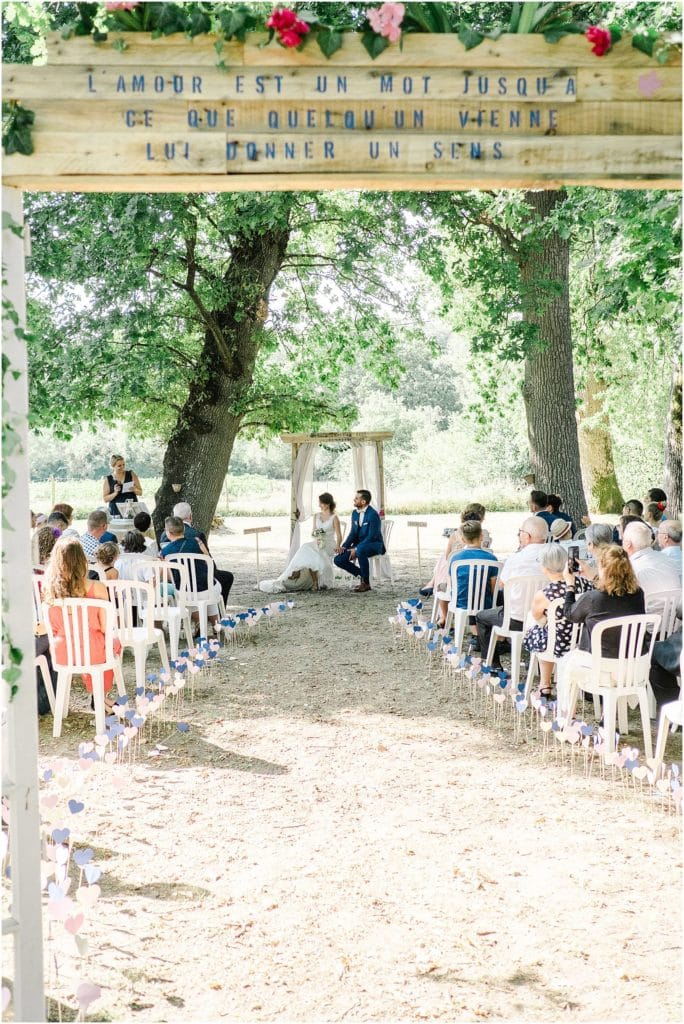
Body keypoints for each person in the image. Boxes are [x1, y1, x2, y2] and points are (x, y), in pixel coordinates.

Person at [556, 545, 646, 714]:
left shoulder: (593, 598)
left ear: (603, 568)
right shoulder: (638, 594)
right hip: (631, 664)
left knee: (565, 662)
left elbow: (570, 615)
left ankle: (567, 717)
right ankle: (609, 716)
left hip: (600, 665)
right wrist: (594, 576)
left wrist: (570, 585)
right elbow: (614, 592)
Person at [43, 537, 122, 712]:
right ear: (82, 560)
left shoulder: (49, 590)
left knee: (102, 645)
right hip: (93, 651)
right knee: (113, 643)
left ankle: (101, 700)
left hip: (62, 652)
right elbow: (105, 628)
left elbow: (53, 628)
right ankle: (100, 697)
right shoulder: (97, 587)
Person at [476, 515, 548, 667]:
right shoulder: (556, 556)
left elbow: (501, 585)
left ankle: (492, 664)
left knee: (481, 617)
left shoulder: (516, 559)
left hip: (516, 619)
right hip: (545, 619)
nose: (519, 534)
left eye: (520, 531)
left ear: (527, 536)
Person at [523, 543, 579, 697]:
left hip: (558, 644)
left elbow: (537, 616)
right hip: (581, 641)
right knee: (548, 630)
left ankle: (544, 684)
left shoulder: (544, 594)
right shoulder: (583, 584)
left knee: (540, 630)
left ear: (545, 568)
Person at [260, 492, 342, 594]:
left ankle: (304, 575)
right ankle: (303, 575)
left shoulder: (334, 518)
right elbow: (313, 532)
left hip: (329, 544)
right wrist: (317, 535)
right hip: (318, 542)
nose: (319, 505)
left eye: (321, 503)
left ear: (327, 504)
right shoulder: (316, 516)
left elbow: (339, 535)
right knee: (306, 547)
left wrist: (338, 545)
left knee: (312, 553)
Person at [160, 501, 233, 603]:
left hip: (177, 581)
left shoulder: (164, 536)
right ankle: (218, 609)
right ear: (190, 516)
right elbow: (209, 562)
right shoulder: (197, 537)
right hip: (198, 582)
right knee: (226, 577)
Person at [434, 520, 498, 634]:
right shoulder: (492, 559)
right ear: (482, 536)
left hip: (460, 602)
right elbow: (494, 588)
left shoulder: (455, 558)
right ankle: (480, 633)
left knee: (444, 588)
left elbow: (453, 585)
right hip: (486, 603)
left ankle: (446, 620)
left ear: (463, 540)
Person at [161, 516, 222, 632]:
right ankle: (216, 625)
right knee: (210, 587)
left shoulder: (165, 552)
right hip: (206, 588)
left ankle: (200, 623)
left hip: (184, 592)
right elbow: (208, 561)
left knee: (190, 589)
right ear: (183, 529)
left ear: (168, 532)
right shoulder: (197, 542)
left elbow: (169, 576)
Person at [420, 503, 492, 597]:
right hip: (480, 571)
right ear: (481, 517)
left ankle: (434, 584)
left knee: (446, 558)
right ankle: (432, 583)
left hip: (456, 576)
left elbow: (447, 557)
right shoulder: (485, 534)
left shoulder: (455, 534)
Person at [334, 489, 385, 593]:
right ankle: (362, 574)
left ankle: (366, 583)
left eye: (356, 498)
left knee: (360, 550)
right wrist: (344, 546)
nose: (354, 499)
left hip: (374, 545)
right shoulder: (355, 513)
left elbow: (372, 536)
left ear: (363, 502)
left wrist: (356, 549)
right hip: (360, 545)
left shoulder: (373, 515)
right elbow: (353, 533)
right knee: (338, 559)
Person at [622, 521, 679, 601]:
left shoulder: (630, 567)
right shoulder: (667, 559)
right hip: (673, 611)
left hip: (646, 612)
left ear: (628, 544)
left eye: (623, 539)